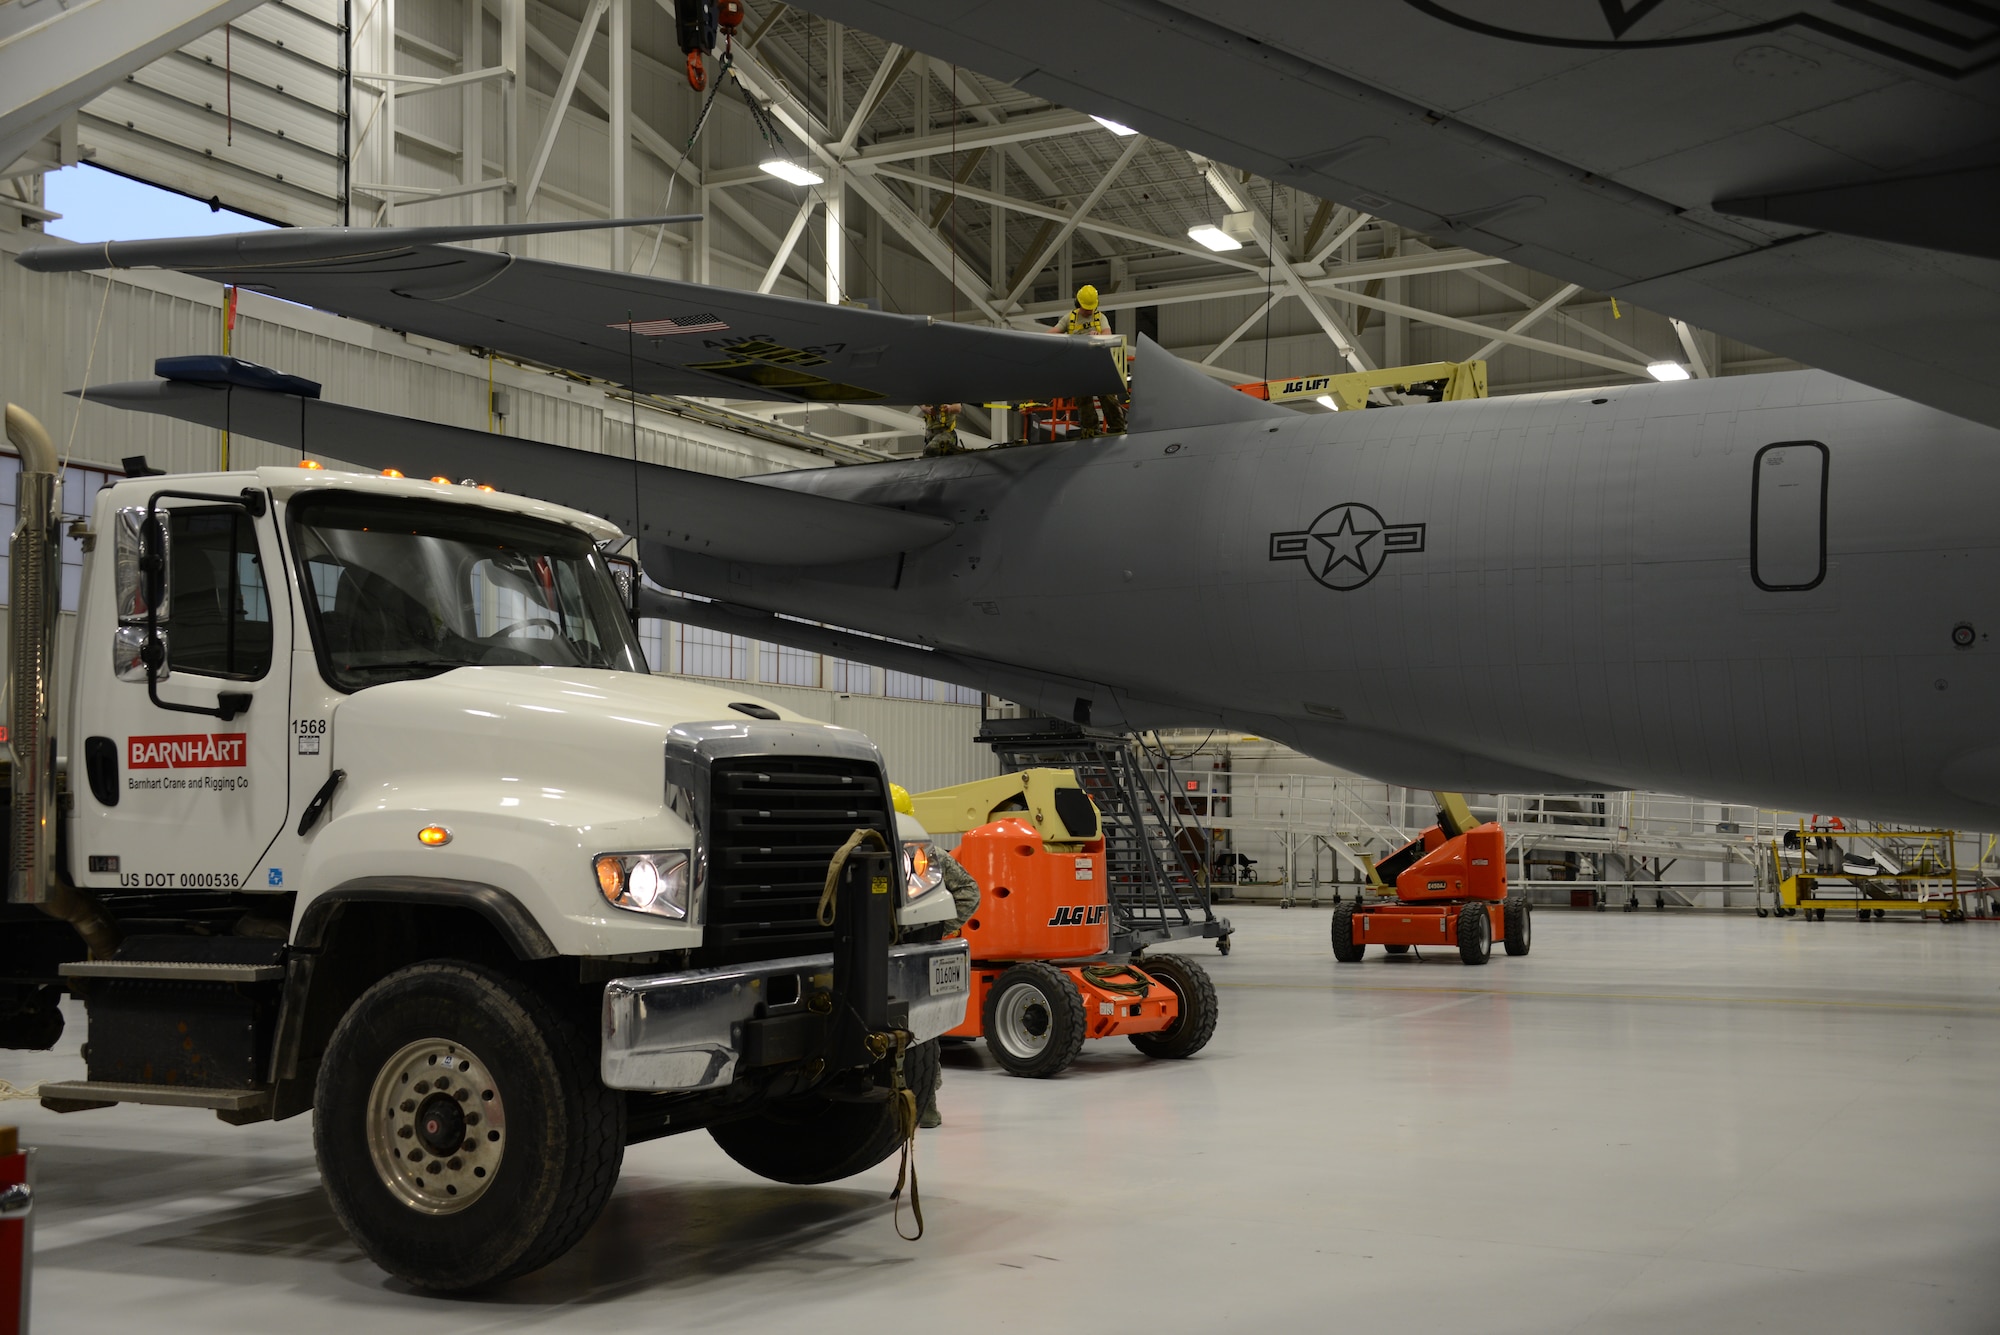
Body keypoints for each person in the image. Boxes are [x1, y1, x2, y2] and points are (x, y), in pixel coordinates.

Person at [890, 782, 979, 1129]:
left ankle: (913, 1108)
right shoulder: (929, 855)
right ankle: (925, 1107)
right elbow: (970, 892)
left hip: (886, 953)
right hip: (918, 954)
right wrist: (941, 929)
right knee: (922, 1029)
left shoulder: (865, 852)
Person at [1052, 284, 1127, 438]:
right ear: (1078, 303)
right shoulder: (1069, 318)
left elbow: (1108, 334)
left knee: (1107, 396)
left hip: (1098, 365)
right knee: (1082, 399)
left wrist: (1097, 335)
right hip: (1080, 367)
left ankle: (1117, 427)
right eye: (1086, 308)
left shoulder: (1100, 318)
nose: (1089, 311)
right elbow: (1052, 334)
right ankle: (1090, 429)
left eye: (1091, 308)